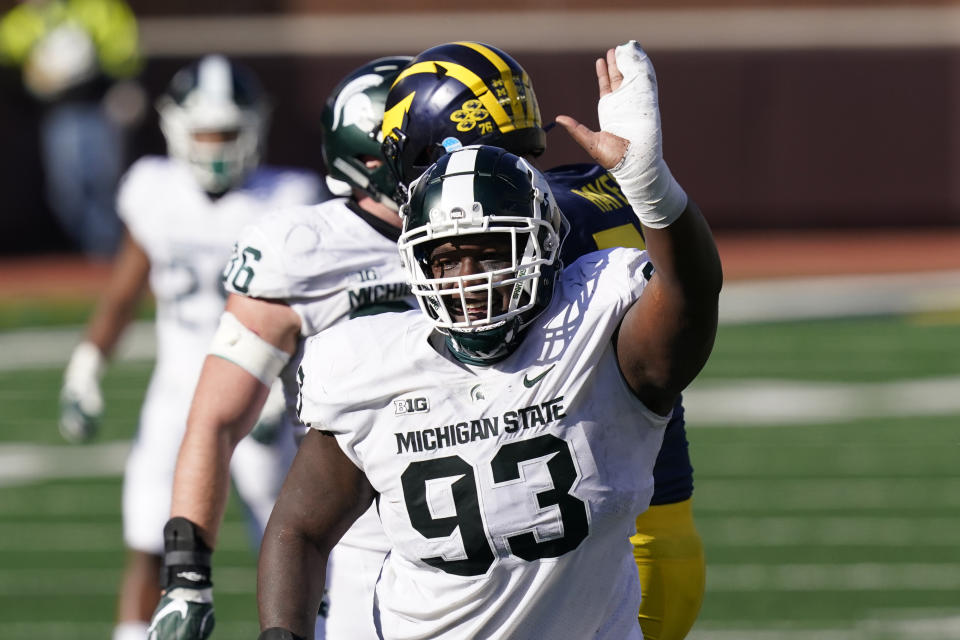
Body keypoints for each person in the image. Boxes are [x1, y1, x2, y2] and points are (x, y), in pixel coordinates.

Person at [257, 40, 721, 640]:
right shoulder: (370, 365)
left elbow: (688, 296)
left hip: (613, 544)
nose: (469, 279)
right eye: (445, 259)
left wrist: (650, 181)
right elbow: (299, 527)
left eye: (487, 254)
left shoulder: (591, 306)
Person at [146, 56, 414, 640]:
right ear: (370, 155)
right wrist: (187, 573)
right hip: (359, 547)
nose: (449, 158)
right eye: (424, 144)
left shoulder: (499, 229)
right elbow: (214, 419)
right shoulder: (302, 250)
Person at [57, 55, 321, 640]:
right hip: (176, 393)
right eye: (204, 131)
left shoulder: (290, 198)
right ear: (175, 129)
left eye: (227, 132)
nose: (215, 146)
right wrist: (87, 363)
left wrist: (290, 388)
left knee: (290, 542)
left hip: (260, 391)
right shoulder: (155, 191)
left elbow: (313, 313)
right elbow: (125, 289)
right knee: (151, 541)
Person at [0, 0, 146, 257]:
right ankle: (91, 253)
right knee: (67, 192)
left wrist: (123, 84)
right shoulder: (22, 20)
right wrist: (30, 75)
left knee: (105, 185)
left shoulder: (96, 8)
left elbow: (124, 53)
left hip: (98, 109)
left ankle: (105, 256)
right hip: (57, 115)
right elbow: (10, 50)